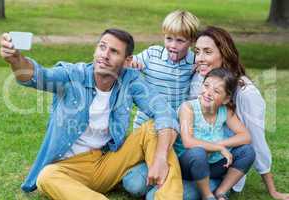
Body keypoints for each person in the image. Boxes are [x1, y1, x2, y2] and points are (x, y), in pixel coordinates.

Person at [0, 28, 183, 200]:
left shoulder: (131, 80)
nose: (105, 54)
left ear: (127, 61)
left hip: (105, 162)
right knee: (46, 176)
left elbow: (164, 112)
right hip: (67, 168)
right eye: (102, 47)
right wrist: (16, 60)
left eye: (114, 51)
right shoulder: (73, 74)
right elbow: (38, 76)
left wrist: (160, 158)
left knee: (153, 128)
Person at [189, 26, 289, 200]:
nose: (200, 58)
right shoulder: (199, 78)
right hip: (195, 155)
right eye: (197, 52)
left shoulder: (246, 93)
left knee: (186, 194)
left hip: (223, 163)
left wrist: (273, 191)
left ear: (224, 53)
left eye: (207, 52)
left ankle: (218, 189)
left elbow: (256, 141)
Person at [120, 10, 201, 198]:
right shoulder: (152, 54)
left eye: (180, 41)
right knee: (134, 182)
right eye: (169, 38)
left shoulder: (194, 62)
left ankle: (170, 185)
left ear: (191, 41)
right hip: (145, 128)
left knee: (163, 164)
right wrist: (132, 64)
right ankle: (158, 179)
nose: (173, 45)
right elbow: (129, 63)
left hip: (174, 132)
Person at [175, 67, 255, 200]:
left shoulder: (225, 111)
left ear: (226, 99)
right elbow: (188, 141)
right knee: (198, 152)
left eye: (216, 91)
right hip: (189, 165)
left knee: (247, 151)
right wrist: (218, 148)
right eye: (206, 86)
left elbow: (246, 136)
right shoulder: (188, 108)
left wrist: (219, 144)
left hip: (213, 164)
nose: (208, 93)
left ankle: (220, 192)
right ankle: (207, 195)